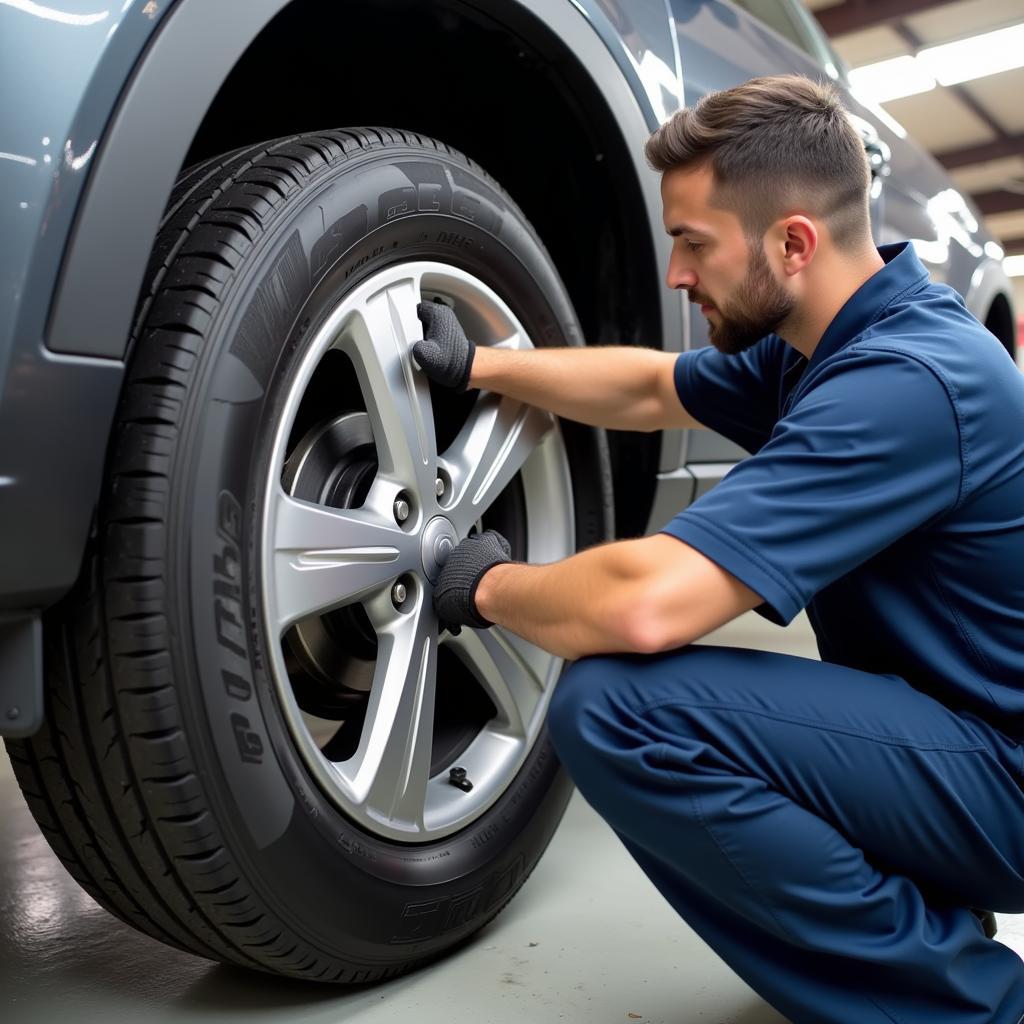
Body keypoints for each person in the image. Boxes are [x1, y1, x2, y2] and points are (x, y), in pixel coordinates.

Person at [412, 73, 1024, 1023]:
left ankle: (978, 1008)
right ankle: (932, 922)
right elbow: (653, 387)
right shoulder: (825, 339)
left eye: (693, 244)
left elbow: (641, 606)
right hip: (960, 733)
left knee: (621, 708)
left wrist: (485, 582)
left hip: (1007, 777)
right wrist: (479, 365)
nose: (676, 276)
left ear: (792, 241)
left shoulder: (908, 384)